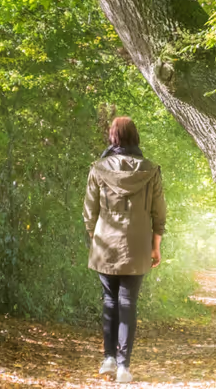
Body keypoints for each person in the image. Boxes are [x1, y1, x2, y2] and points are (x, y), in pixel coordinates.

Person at [82, 116, 166, 384]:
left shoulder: (98, 169)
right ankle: (123, 366)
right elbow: (159, 213)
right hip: (137, 247)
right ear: (135, 136)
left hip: (105, 245)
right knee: (128, 303)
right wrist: (155, 247)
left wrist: (94, 238)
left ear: (113, 137)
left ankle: (108, 358)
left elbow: (89, 213)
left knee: (109, 300)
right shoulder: (151, 170)